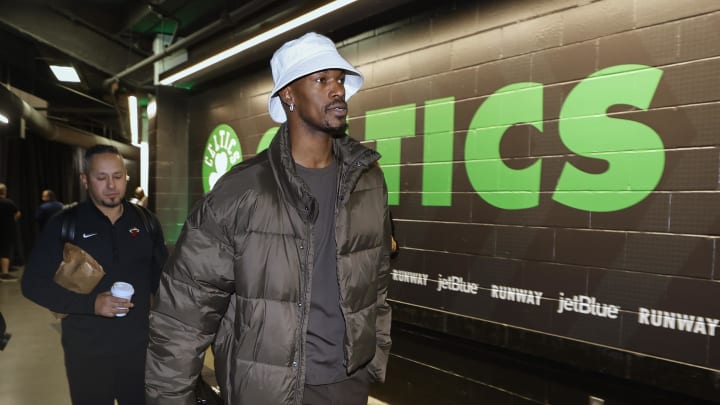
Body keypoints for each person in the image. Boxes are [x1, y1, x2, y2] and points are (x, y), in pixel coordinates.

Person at [145, 32, 393, 405]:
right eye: (321, 79)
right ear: (288, 95)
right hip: (267, 389)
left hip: (348, 384)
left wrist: (373, 355)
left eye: (339, 78)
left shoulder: (368, 180)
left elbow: (376, 283)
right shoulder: (240, 192)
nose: (337, 90)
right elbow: (184, 315)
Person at [22, 144, 168, 405]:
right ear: (85, 180)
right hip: (85, 353)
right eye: (101, 178)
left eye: (118, 176)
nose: (111, 185)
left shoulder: (146, 222)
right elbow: (32, 284)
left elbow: (163, 283)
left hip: (138, 352)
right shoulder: (65, 224)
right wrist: (91, 304)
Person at [0, 183, 20, 282]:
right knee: (5, 252)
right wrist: (13, 220)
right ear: (5, 192)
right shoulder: (8, 202)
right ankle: (4, 274)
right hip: (6, 230)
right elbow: (17, 213)